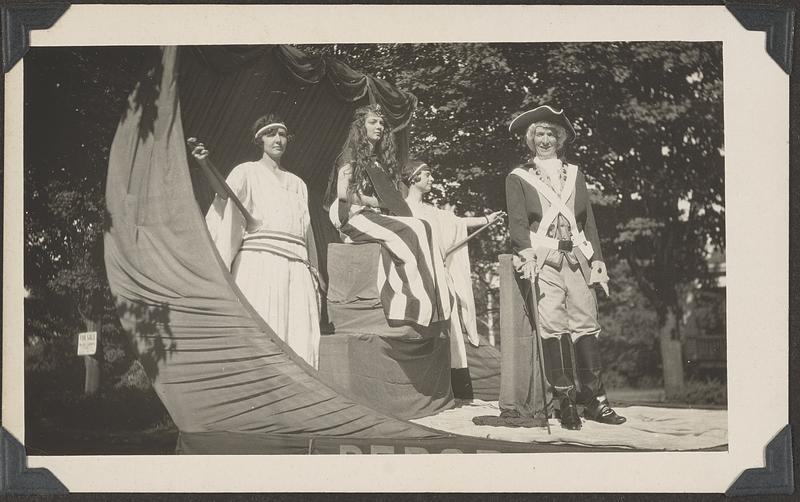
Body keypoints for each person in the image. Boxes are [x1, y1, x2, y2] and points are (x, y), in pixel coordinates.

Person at [505, 104, 625, 430]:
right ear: (532, 140)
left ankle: (596, 401)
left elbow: (590, 223)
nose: (545, 140)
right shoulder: (518, 177)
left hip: (577, 259)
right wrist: (525, 253)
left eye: (550, 134)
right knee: (553, 328)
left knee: (586, 325)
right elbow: (517, 224)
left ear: (560, 140)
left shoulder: (575, 174)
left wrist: (598, 259)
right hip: (543, 260)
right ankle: (565, 401)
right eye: (539, 134)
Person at [193, 114, 321, 369]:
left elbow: (307, 233)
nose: (278, 139)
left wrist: (315, 270)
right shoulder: (246, 171)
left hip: (296, 267)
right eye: (271, 133)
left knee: (300, 339)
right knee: (264, 334)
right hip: (260, 264)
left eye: (282, 134)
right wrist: (205, 165)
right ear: (259, 139)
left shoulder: (298, 184)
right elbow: (225, 198)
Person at [329, 104, 450, 328]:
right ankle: (408, 306)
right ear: (360, 126)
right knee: (407, 230)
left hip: (368, 213)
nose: (379, 126)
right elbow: (342, 192)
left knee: (422, 226)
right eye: (373, 122)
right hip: (350, 213)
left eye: (381, 123)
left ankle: (433, 304)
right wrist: (374, 202)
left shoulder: (376, 160)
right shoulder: (350, 153)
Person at [402, 159, 503, 396]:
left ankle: (459, 389)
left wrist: (487, 220)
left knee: (452, 330)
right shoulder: (401, 210)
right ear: (414, 178)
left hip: (440, 278)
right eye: (427, 175)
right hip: (415, 279)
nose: (432, 179)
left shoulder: (433, 212)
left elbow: (459, 223)